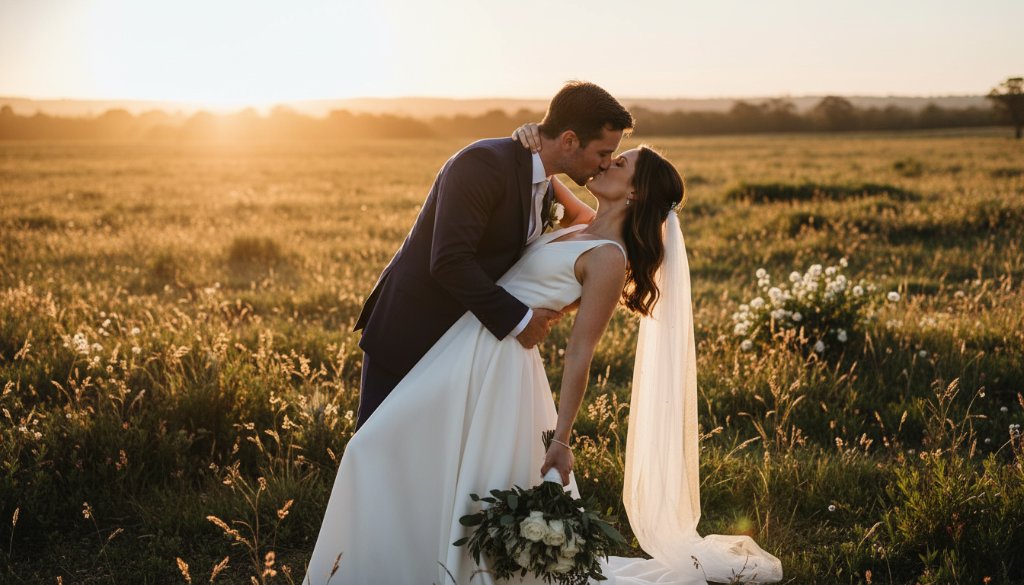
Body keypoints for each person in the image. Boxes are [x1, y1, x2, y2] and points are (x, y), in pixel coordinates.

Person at [301, 121, 783, 583]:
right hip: (464, 344)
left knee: (381, 448)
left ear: (635, 193)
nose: (608, 163)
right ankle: (397, 564)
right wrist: (527, 135)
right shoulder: (582, 221)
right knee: (402, 450)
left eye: (621, 164)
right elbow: (542, 170)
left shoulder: (608, 259)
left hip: (500, 364)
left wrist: (562, 437)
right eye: (609, 155)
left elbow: (580, 354)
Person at [352, 81, 634, 430]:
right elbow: (450, 261)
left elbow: (591, 228)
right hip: (412, 329)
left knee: (427, 458)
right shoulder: (482, 163)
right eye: (603, 153)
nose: (605, 164)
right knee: (377, 446)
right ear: (570, 141)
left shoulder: (545, 183)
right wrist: (521, 321)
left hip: (462, 342)